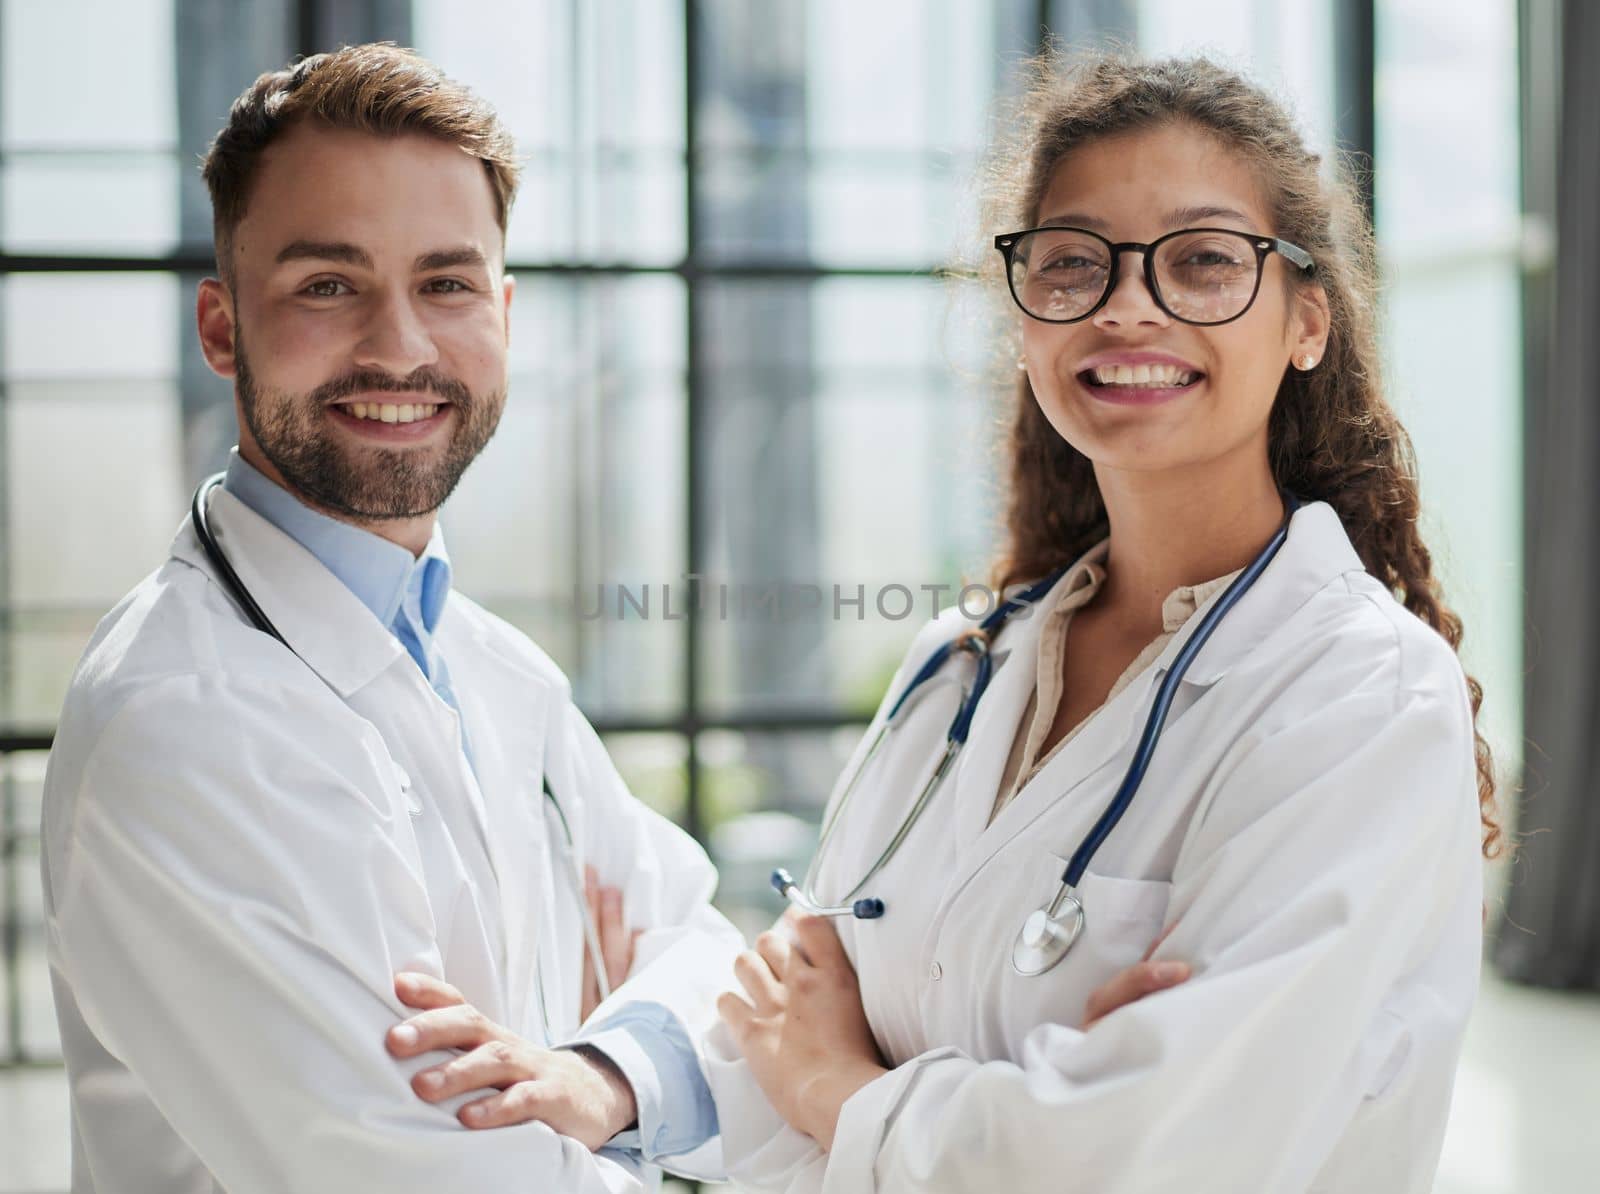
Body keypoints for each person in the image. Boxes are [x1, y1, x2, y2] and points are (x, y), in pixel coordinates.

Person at [703, 52, 1501, 1194]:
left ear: (1306, 320)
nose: (1129, 305)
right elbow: (774, 1021)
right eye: (1074, 263)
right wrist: (1033, 1096)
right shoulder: (955, 665)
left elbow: (1155, 1160)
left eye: (1204, 261)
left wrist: (842, 1086)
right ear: (1025, 316)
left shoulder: (1360, 696)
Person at [39, 43, 741, 1194]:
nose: (400, 347)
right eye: (328, 284)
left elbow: (717, 972)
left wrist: (604, 1080)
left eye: (446, 284)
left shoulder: (497, 671)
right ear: (222, 329)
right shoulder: (185, 721)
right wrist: (648, 1083)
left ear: (503, 314)